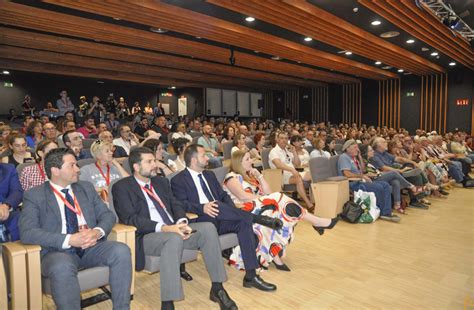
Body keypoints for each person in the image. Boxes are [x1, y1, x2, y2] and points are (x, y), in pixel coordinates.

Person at [112, 147, 237, 310]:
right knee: (173, 238)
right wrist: (165, 228)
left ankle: (218, 288)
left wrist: (182, 222)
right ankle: (168, 302)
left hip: (175, 229)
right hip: (148, 235)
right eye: (149, 162)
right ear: (136, 167)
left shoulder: (161, 182)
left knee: (207, 228)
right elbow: (130, 218)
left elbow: (175, 204)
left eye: (154, 160)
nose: (155, 165)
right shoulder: (122, 187)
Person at [19, 148, 132, 309]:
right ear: (55, 170)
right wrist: (70, 239)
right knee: (61, 266)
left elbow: (107, 216)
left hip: (91, 246)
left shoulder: (85, 187)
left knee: (121, 250)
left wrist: (96, 232)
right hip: (57, 251)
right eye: (72, 165)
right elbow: (28, 232)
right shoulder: (35, 195)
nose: (78, 169)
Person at [171, 144, 279, 293]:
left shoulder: (209, 175)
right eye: (203, 155)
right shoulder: (178, 180)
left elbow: (223, 196)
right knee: (223, 208)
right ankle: (256, 218)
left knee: (242, 222)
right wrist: (202, 207)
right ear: (194, 160)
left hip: (220, 217)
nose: (207, 158)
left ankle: (251, 275)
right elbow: (180, 204)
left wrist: (232, 210)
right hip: (201, 221)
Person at [223, 150, 338, 270]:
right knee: (278, 198)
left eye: (250, 158)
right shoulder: (231, 177)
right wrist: (267, 198)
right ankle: (317, 222)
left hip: (258, 206)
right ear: (239, 163)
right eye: (247, 159)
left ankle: (276, 256)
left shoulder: (250, 176)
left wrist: (259, 176)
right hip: (243, 209)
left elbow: (268, 192)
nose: (251, 161)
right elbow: (243, 196)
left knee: (279, 207)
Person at [337, 140, 400, 222]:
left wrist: (359, 157)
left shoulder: (354, 158)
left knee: (385, 185)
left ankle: (386, 212)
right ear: (347, 148)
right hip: (352, 183)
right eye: (355, 148)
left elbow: (363, 170)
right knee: (379, 187)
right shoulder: (344, 157)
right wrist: (362, 176)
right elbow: (346, 174)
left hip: (360, 180)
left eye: (357, 148)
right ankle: (384, 213)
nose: (357, 149)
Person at [359, 144, 421, 215]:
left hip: (378, 175)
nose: (373, 151)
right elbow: (365, 173)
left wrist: (379, 173)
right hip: (373, 179)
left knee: (395, 181)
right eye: (370, 150)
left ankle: (397, 205)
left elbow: (376, 170)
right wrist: (378, 174)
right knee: (394, 173)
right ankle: (411, 186)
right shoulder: (363, 162)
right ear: (365, 152)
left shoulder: (370, 160)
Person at [269, 132, 314, 210]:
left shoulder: (287, 150)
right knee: (298, 178)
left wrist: (294, 152)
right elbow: (278, 165)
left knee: (313, 175)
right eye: (282, 138)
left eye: (286, 138)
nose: (284, 140)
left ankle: (314, 201)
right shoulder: (274, 151)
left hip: (292, 172)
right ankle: (309, 204)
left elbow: (297, 164)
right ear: (277, 140)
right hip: (280, 176)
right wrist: (292, 169)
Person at [0, 163, 23, 242]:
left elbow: (17, 191)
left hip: (6, 211)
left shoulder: (8, 169)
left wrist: (6, 206)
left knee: (20, 220)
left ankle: (17, 252)